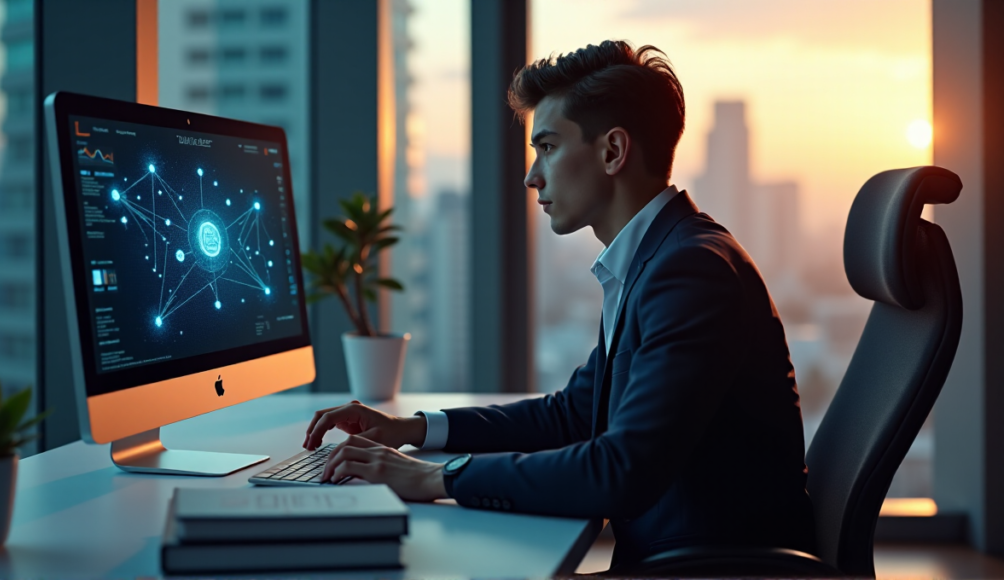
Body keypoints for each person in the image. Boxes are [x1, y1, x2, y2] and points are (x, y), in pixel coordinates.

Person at [303, 40, 816, 570]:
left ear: (613, 152)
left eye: (547, 147)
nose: (532, 176)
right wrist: (411, 429)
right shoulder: (657, 259)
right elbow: (573, 414)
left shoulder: (690, 271)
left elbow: (621, 469)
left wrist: (434, 477)